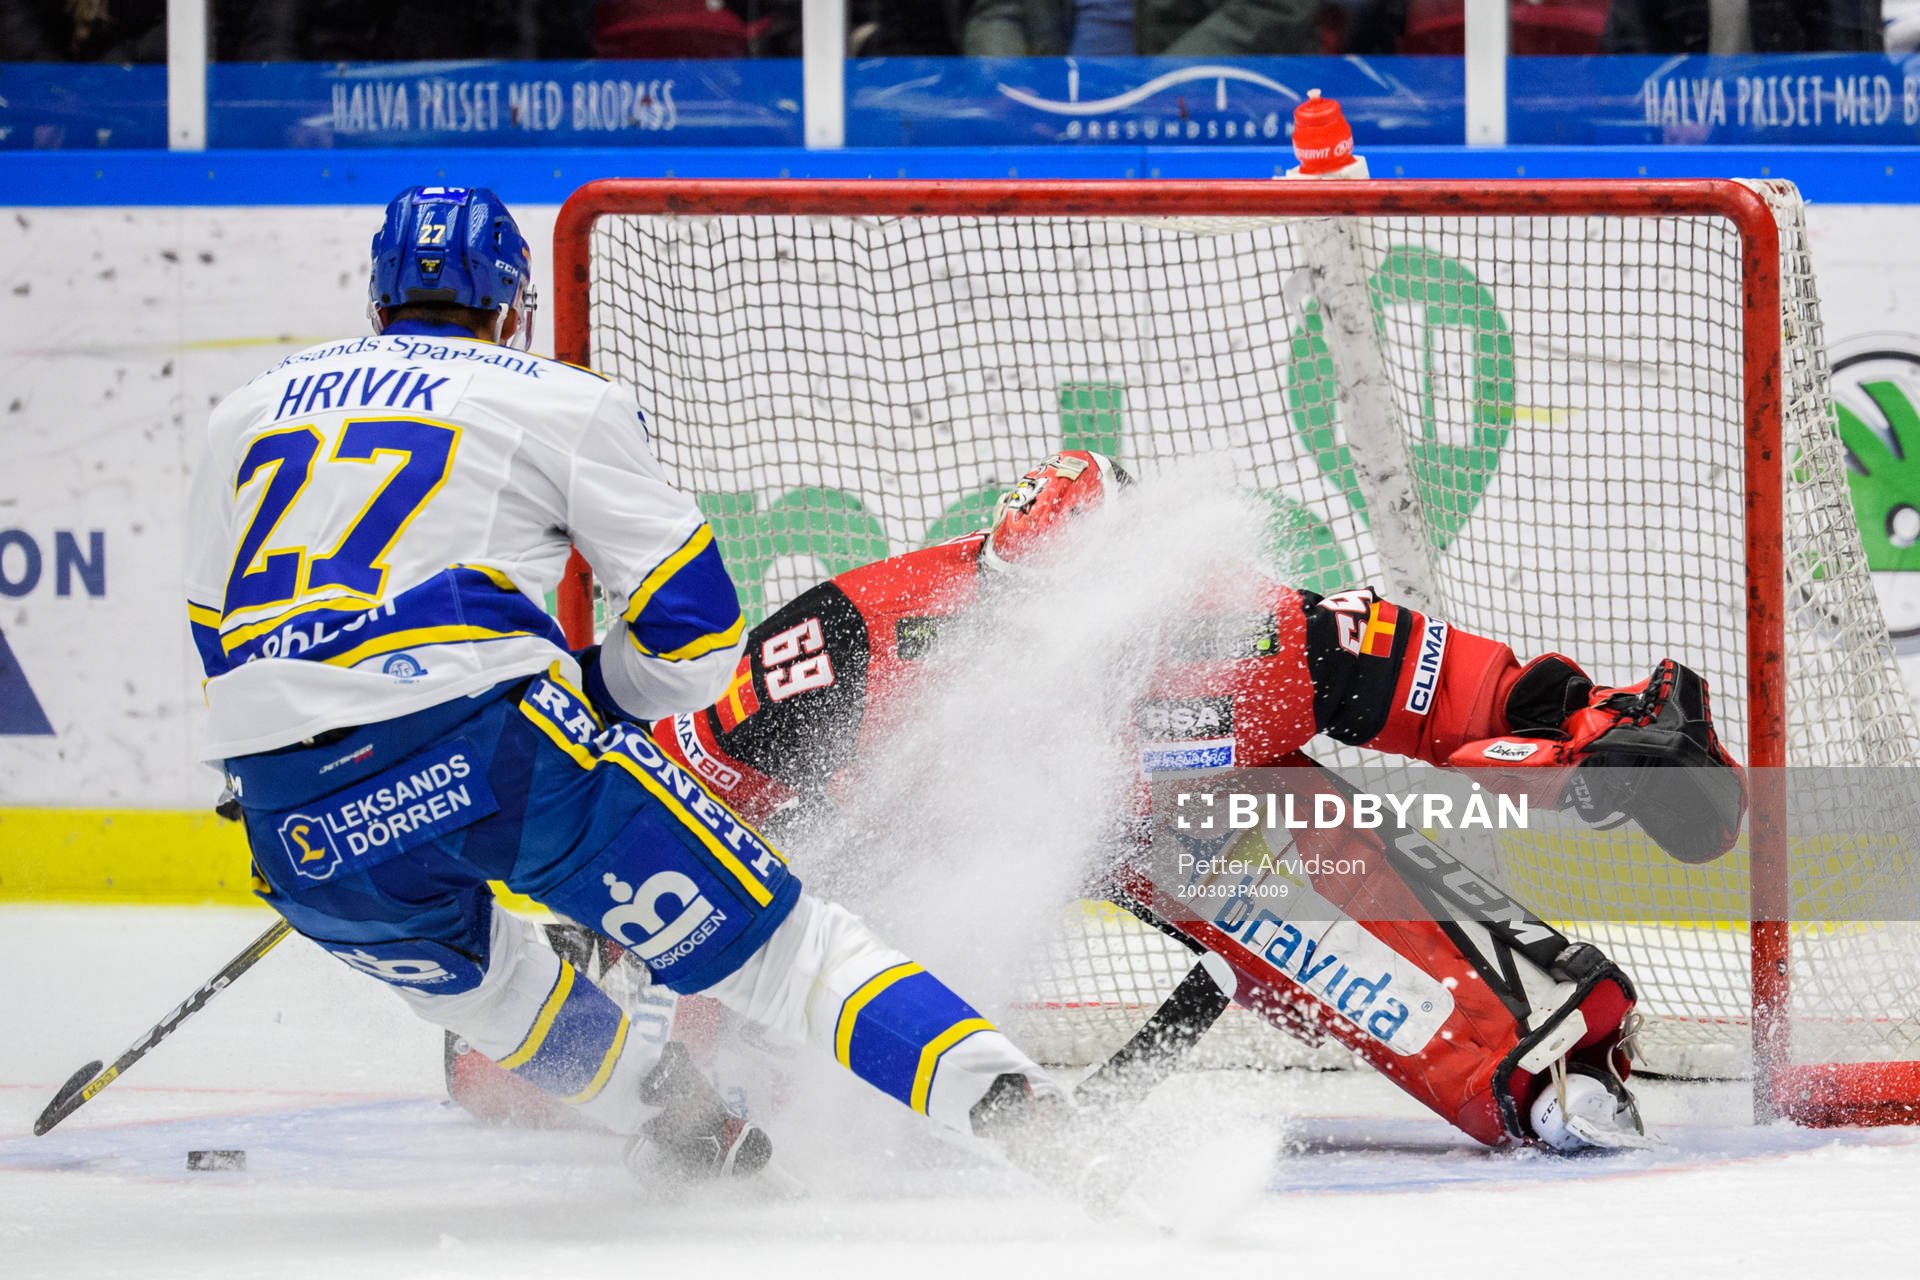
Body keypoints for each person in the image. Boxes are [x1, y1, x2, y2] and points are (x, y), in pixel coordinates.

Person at [452, 449, 1746, 1151]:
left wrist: (1597, 739)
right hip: (907, 857)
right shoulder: (858, 636)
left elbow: (1471, 696)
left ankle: (1525, 1048)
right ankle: (596, 1042)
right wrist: (583, 944)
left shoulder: (1247, 640)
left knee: (1505, 1057)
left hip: (1177, 830)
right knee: (741, 1096)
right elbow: (677, 789)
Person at [184, 186, 1066, 1188]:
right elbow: (697, 630)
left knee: (493, 994)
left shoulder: (240, 414)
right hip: (498, 751)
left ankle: (682, 1124)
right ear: (514, 305)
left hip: (298, 819)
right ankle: (1022, 1112)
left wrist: (281, 770)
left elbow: (216, 635)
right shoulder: (558, 398)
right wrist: (597, 691)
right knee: (788, 953)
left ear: (377, 301)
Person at [961, 0, 1321, 55]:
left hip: (1198, 127)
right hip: (1053, 131)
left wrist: (1165, 82)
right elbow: (999, 11)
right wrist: (1006, 78)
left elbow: (1280, 7)